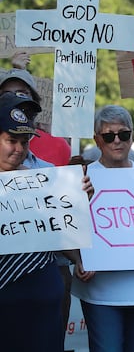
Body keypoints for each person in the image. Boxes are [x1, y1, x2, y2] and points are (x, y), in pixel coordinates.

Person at [0, 99, 92, 351]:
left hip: (44, 300)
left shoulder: (45, 179)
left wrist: (80, 200)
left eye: (24, 142)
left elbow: (60, 235)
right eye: (11, 140)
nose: (19, 149)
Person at [71, 105, 134, 352]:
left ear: (132, 136)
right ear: (97, 139)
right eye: (109, 136)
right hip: (100, 292)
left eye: (124, 134)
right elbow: (64, 230)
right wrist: (78, 259)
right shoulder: (81, 179)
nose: (117, 141)